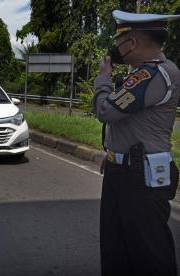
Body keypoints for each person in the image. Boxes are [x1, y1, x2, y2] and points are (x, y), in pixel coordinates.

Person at [93, 10, 180, 275]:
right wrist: (112, 152)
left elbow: (107, 111)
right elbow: (126, 121)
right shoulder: (140, 73)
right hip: (125, 171)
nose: (115, 46)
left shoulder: (154, 74)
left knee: (148, 255)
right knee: (116, 249)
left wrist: (103, 79)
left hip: (141, 178)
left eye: (120, 39)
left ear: (132, 42)